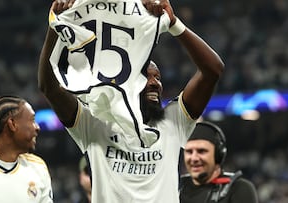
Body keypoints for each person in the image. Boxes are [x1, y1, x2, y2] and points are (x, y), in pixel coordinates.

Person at [38, 0, 224, 202]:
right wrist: (55, 26)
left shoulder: (173, 120)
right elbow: (49, 87)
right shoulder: (96, 122)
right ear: (126, 80)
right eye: (146, 76)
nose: (155, 84)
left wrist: (174, 24)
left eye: (158, 78)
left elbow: (213, 70)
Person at [179, 121, 258, 203]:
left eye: (201, 151)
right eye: (189, 152)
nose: (194, 158)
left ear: (218, 155)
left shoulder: (238, 189)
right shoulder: (176, 187)